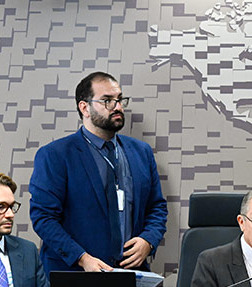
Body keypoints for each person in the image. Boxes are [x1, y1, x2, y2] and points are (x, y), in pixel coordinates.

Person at [28, 71, 168, 274]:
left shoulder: (141, 152)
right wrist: (82, 258)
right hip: (76, 276)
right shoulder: (55, 155)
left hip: (132, 276)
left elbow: (157, 207)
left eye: (119, 99)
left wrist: (149, 240)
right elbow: (44, 218)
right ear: (84, 107)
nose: (118, 107)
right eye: (107, 101)